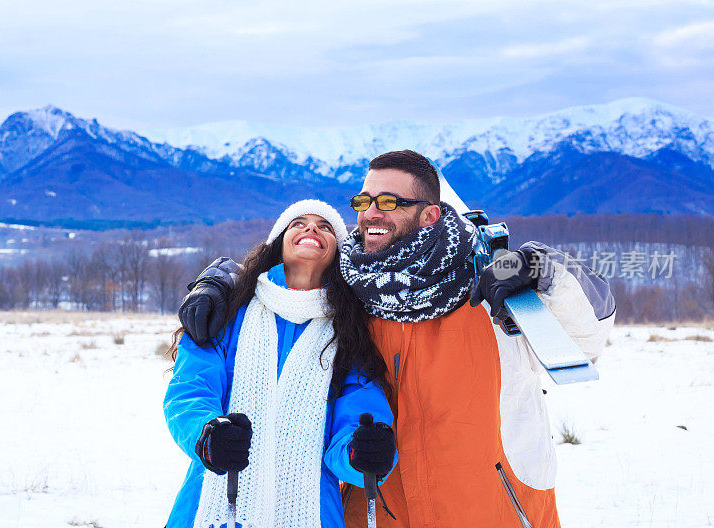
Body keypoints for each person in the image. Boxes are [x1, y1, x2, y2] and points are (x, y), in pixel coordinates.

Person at [180, 152, 616, 528]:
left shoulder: (489, 286)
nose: (371, 212)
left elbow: (588, 337)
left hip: (493, 509)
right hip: (382, 514)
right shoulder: (350, 298)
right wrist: (218, 280)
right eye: (363, 201)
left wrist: (546, 270)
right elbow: (284, 280)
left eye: (388, 201)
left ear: (431, 214)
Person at [163, 199, 398, 528]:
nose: (311, 228)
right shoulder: (227, 311)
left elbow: (358, 413)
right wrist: (207, 435)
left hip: (312, 510)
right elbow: (190, 388)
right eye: (297, 223)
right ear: (278, 244)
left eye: (325, 226)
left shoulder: (348, 333)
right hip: (211, 505)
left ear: (338, 254)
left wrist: (362, 451)